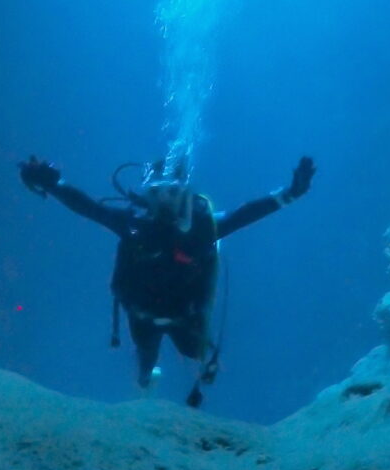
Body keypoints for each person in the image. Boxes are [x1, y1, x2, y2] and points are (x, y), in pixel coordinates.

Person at [19, 152, 316, 405]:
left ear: (185, 193)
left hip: (186, 316)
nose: (164, 201)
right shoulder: (133, 223)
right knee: (146, 360)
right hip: (143, 314)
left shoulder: (203, 226)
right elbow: (89, 208)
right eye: (157, 193)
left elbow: (244, 214)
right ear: (147, 193)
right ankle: (146, 383)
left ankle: (184, 381)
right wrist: (54, 184)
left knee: (195, 354)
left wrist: (291, 192)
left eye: (172, 193)